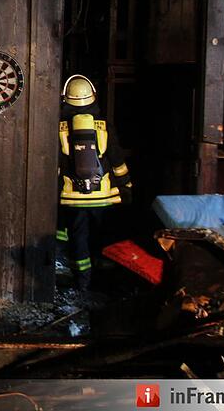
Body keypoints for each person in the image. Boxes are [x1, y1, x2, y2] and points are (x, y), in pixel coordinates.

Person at [57, 74, 132, 293]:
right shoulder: (104, 126)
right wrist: (126, 186)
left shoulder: (60, 127)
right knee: (103, 237)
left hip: (72, 198)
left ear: (66, 98)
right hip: (104, 196)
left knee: (78, 238)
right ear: (93, 96)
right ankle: (106, 283)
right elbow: (117, 161)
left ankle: (83, 284)